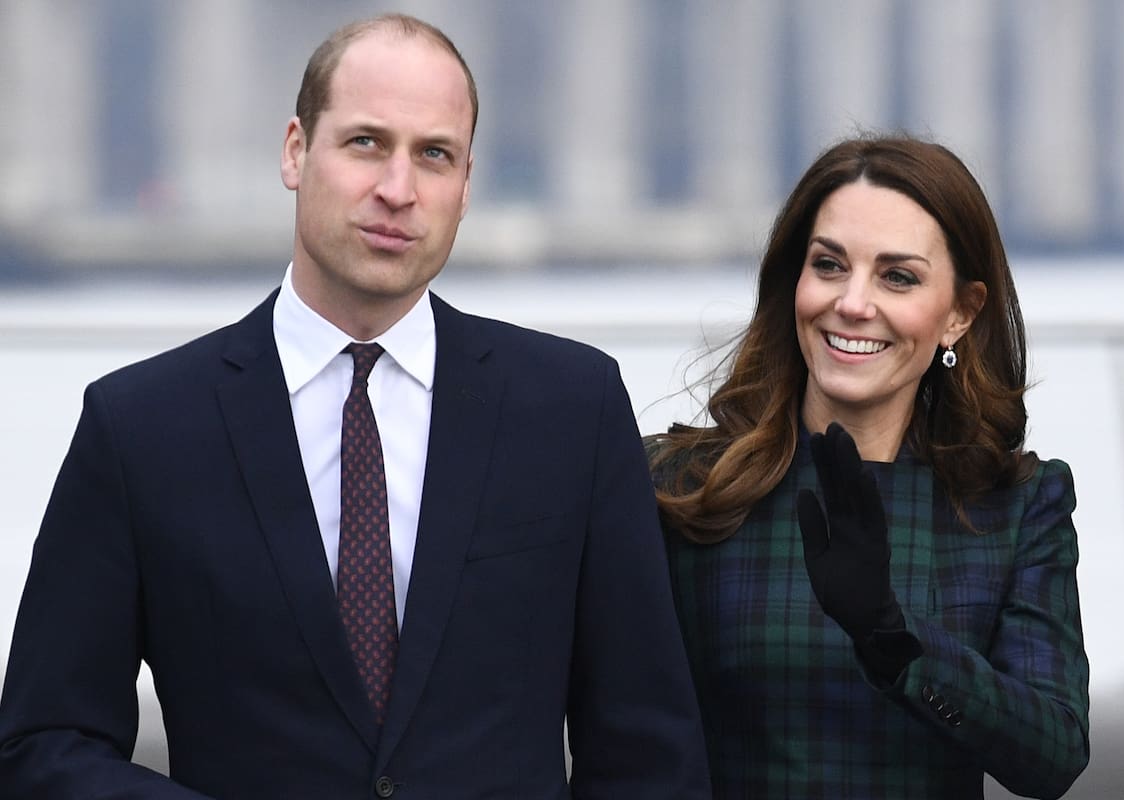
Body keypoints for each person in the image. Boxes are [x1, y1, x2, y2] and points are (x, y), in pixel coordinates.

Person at [0, 14, 710, 799]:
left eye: (433, 155)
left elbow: (649, 752)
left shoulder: (574, 409)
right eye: (367, 142)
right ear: (296, 151)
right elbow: (44, 743)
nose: (398, 190)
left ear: (466, 186)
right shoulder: (139, 427)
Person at [647, 135, 1089, 799]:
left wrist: (891, 631)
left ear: (960, 314)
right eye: (828, 265)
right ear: (793, 279)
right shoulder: (679, 486)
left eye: (898, 276)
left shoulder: (1017, 505)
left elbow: (1052, 755)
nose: (853, 302)